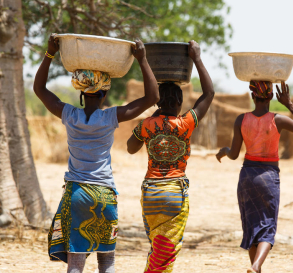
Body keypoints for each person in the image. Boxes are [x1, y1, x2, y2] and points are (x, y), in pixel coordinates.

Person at [34, 33, 159, 273]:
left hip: (77, 194)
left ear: (82, 93)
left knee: (76, 262)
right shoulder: (111, 117)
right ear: (104, 93)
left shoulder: (69, 114)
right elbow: (152, 97)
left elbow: (39, 88)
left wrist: (50, 52)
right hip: (105, 194)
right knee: (107, 261)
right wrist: (142, 60)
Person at [127, 40, 214, 273]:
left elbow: (130, 147)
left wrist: (154, 115)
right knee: (166, 253)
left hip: (151, 193)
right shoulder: (186, 123)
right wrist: (196, 58)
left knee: (158, 248)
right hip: (175, 193)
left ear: (157, 102)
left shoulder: (145, 125)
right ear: (179, 102)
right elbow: (209, 93)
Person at [216, 81, 293, 273]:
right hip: (268, 178)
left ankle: (255, 269)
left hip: (247, 177)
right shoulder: (278, 119)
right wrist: (289, 104)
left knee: (252, 226)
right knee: (267, 226)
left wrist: (224, 151)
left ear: (253, 96)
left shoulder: (241, 120)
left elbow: (234, 154)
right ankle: (256, 266)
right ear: (271, 97)